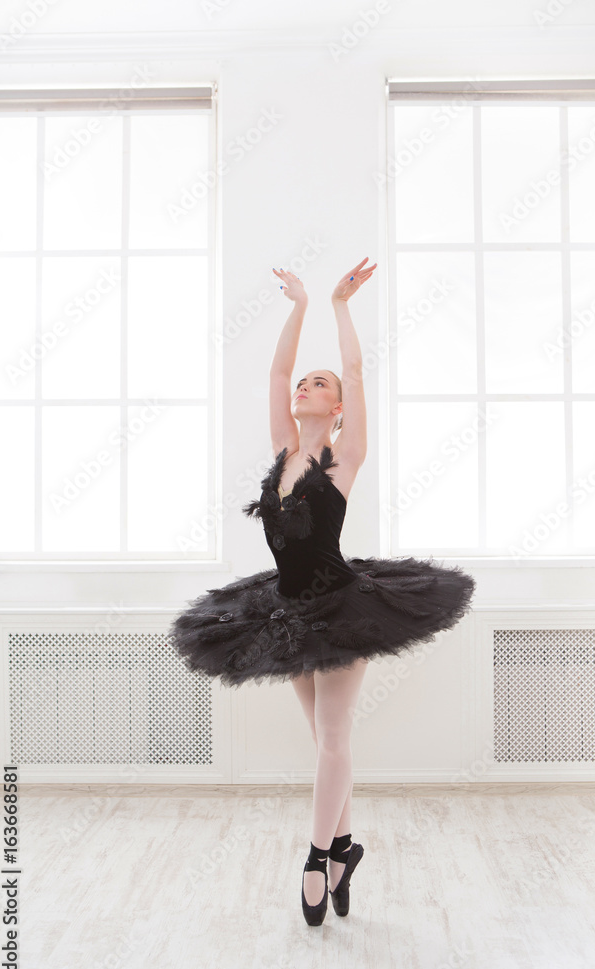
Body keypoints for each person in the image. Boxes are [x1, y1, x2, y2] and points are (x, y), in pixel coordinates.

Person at [167, 256, 476, 927]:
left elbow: (357, 374)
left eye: (318, 383)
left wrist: (340, 306)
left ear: (335, 408)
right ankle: (343, 846)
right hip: (284, 608)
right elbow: (275, 375)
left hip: (340, 606)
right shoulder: (284, 451)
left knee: (333, 739)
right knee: (322, 741)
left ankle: (315, 859)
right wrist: (297, 304)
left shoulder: (344, 456)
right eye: (304, 382)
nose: (304, 386)